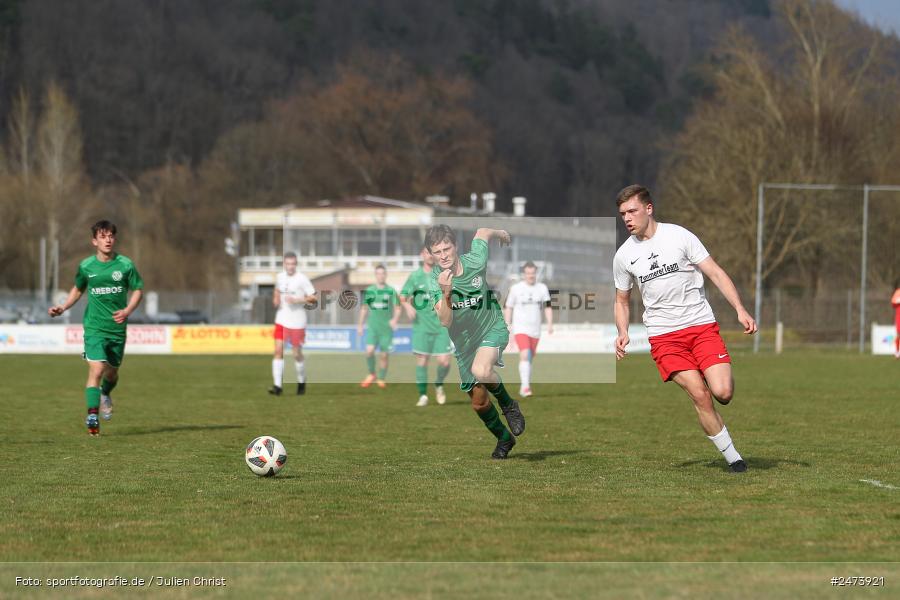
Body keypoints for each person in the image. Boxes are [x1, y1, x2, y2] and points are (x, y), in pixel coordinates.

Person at [612, 185, 757, 473]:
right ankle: (734, 459)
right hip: (664, 337)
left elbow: (715, 272)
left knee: (723, 392)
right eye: (623, 214)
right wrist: (623, 331)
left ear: (649, 209)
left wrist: (740, 309)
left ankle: (708, 372)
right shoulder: (624, 255)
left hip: (701, 328)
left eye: (632, 211)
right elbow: (621, 300)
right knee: (700, 395)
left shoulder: (680, 236)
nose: (627, 218)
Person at [427, 225, 525, 459]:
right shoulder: (434, 281)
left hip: (492, 327)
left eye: (446, 249)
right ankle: (504, 438)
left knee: (481, 370)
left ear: (455, 246)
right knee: (479, 404)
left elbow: (482, 232)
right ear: (431, 254)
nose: (443, 256)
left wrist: (502, 234)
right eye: (437, 252)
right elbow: (445, 321)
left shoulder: (475, 260)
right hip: (465, 345)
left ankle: (508, 404)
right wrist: (446, 293)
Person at [48, 220, 144, 436]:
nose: (108, 240)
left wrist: (127, 310)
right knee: (97, 369)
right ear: (94, 241)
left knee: (112, 374)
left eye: (111, 236)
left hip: (116, 329)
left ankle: (105, 394)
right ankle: (92, 414)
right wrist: (63, 307)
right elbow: (78, 289)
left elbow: (138, 289)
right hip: (94, 327)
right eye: (103, 236)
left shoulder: (125, 265)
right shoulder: (86, 266)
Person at [401, 246, 453, 406]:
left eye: (433, 253)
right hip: (421, 327)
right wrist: (408, 306)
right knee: (422, 361)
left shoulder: (443, 274)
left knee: (445, 362)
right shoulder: (415, 276)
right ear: (421, 255)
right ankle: (423, 396)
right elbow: (402, 296)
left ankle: (438, 383)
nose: (430, 255)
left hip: (441, 326)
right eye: (427, 252)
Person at [269, 252, 317, 396]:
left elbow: (314, 298)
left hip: (297, 322)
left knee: (296, 354)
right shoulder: (280, 277)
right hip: (281, 319)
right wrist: (276, 299)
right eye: (288, 264)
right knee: (278, 350)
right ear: (284, 264)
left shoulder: (302, 279)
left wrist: (297, 300)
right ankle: (277, 386)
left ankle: (301, 381)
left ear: (296, 264)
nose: (290, 266)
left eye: (293, 264)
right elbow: (277, 290)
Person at [504, 261, 553, 397]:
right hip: (521, 328)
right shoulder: (516, 289)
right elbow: (508, 307)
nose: (530, 276)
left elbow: (547, 306)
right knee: (525, 354)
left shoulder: (542, 288)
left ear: (536, 273)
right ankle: (525, 387)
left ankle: (524, 385)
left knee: (529, 358)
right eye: (528, 273)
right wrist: (507, 325)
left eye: (533, 273)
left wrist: (550, 323)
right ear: (524, 274)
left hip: (535, 330)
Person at [358, 264, 401, 388]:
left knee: (384, 355)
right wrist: (360, 325)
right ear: (375, 275)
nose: (381, 276)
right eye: (378, 273)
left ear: (386, 275)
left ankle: (381, 378)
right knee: (369, 351)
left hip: (386, 329)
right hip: (373, 327)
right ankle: (371, 374)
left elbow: (398, 308)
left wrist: (394, 320)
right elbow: (364, 309)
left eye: (383, 273)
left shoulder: (391, 290)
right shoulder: (370, 290)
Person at [892, 280, 900, 359]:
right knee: (898, 334)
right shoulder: (898, 292)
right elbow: (893, 302)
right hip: (899, 317)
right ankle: (897, 351)